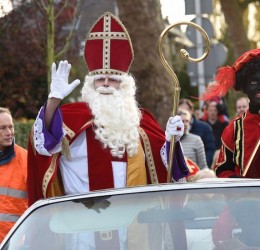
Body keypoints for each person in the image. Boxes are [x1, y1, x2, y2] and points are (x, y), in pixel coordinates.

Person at [27, 12, 188, 206]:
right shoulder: (71, 118)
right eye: (99, 79)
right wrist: (53, 101)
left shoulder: (140, 123)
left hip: (132, 220)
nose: (105, 84)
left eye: (113, 79)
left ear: (125, 85)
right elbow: (43, 146)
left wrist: (172, 140)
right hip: (83, 222)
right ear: (90, 84)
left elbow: (167, 169)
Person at [200, 48, 260, 178]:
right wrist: (237, 181)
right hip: (245, 197)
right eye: (254, 82)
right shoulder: (234, 128)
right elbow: (222, 169)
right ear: (245, 87)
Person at [0, 107, 28, 242]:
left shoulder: (25, 159)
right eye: (3, 128)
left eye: (11, 127)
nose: (9, 132)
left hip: (15, 241)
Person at [178, 98, 216, 167]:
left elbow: (210, 149)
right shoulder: (171, 138)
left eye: (185, 110)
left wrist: (199, 169)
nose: (183, 113)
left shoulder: (204, 128)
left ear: (191, 111)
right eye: (180, 111)